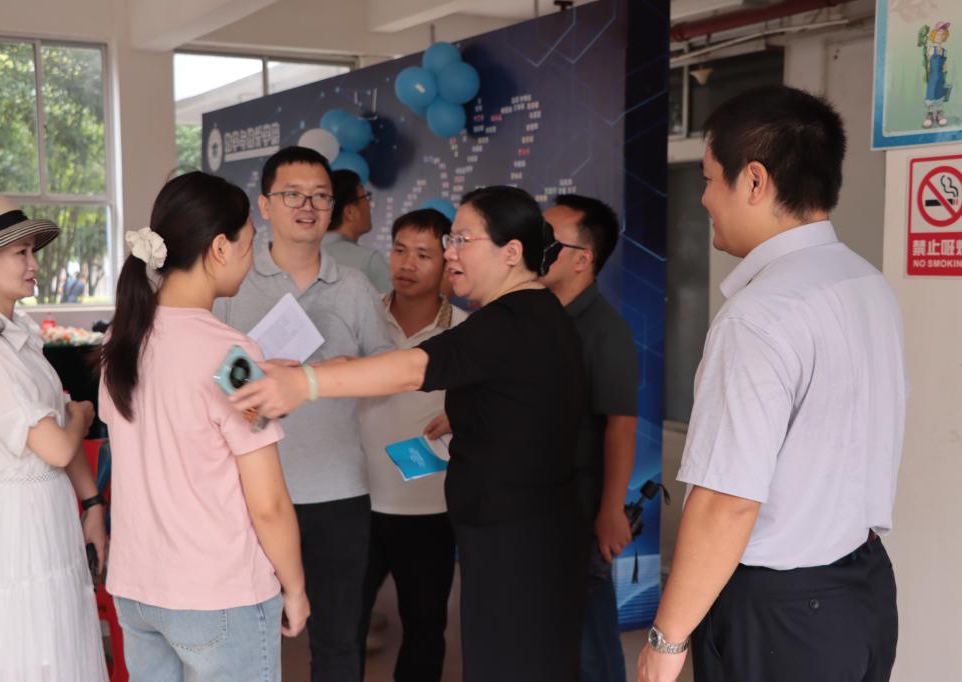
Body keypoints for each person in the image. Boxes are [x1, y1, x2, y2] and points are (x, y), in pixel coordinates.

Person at [230, 185, 591, 682]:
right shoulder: (536, 314)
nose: (450, 253)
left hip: (517, 544)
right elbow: (528, 400)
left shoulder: (505, 322)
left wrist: (305, 383)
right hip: (528, 533)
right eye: (449, 240)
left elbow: (411, 369)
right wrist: (467, 415)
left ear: (511, 253)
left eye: (462, 240)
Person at [636, 85, 905, 682]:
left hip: (782, 615)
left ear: (755, 181)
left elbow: (727, 502)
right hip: (862, 589)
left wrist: (666, 640)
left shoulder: (760, 316)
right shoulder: (865, 283)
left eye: (710, 179)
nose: (704, 198)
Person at [99, 172, 308, 681]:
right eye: (249, 245)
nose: (251, 259)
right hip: (217, 593)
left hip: (138, 591)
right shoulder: (232, 354)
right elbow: (268, 503)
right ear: (219, 247)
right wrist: (296, 586)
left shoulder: (120, 340)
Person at [214, 147, 393, 682]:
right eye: (293, 194)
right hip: (247, 489)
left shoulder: (355, 287)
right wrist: (257, 378)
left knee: (339, 640)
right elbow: (203, 371)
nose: (307, 206)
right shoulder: (233, 281)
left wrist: (335, 373)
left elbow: (389, 373)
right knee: (242, 638)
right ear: (265, 205)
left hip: (338, 489)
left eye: (320, 196)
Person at [0, 196, 108, 681]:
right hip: (12, 521)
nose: (34, 264)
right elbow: (57, 444)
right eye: (22, 253)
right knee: (25, 649)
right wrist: (82, 415)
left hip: (45, 509)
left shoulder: (17, 337)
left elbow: (55, 433)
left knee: (55, 640)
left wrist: (92, 503)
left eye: (33, 251)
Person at [356, 208, 467, 681]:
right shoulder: (363, 318)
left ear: (446, 262)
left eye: (423, 254)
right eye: (400, 250)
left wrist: (463, 415)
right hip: (357, 498)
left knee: (424, 627)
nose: (407, 264)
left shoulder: (465, 330)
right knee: (343, 624)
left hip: (429, 507)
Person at [542, 194, 639, 682]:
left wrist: (611, 510)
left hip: (579, 504)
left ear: (582, 259)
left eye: (548, 241)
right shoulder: (536, 316)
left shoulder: (605, 331)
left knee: (589, 633)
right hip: (536, 501)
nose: (533, 246)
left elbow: (621, 426)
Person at [322, 169, 391, 293]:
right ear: (350, 212)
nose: (369, 204)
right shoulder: (369, 262)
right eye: (366, 197)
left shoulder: (300, 256)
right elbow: (396, 304)